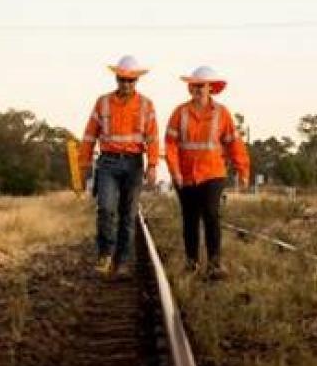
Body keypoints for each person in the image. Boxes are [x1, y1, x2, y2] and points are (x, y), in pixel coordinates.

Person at [165, 66, 250, 279]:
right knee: (190, 219)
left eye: (201, 86)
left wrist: (243, 170)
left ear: (210, 88)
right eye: (193, 85)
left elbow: (233, 143)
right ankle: (191, 262)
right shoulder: (180, 113)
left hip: (212, 174)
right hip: (185, 176)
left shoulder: (222, 114)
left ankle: (214, 264)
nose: (197, 89)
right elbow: (171, 144)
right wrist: (174, 171)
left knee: (211, 215)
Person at [79, 55, 158, 278]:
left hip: (133, 164)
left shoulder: (146, 105)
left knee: (128, 214)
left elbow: (152, 138)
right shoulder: (103, 102)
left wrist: (152, 165)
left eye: (131, 80)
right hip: (107, 162)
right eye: (122, 79)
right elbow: (89, 134)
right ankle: (105, 255)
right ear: (116, 78)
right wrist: (84, 163)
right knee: (105, 208)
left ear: (137, 82)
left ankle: (122, 262)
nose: (126, 84)